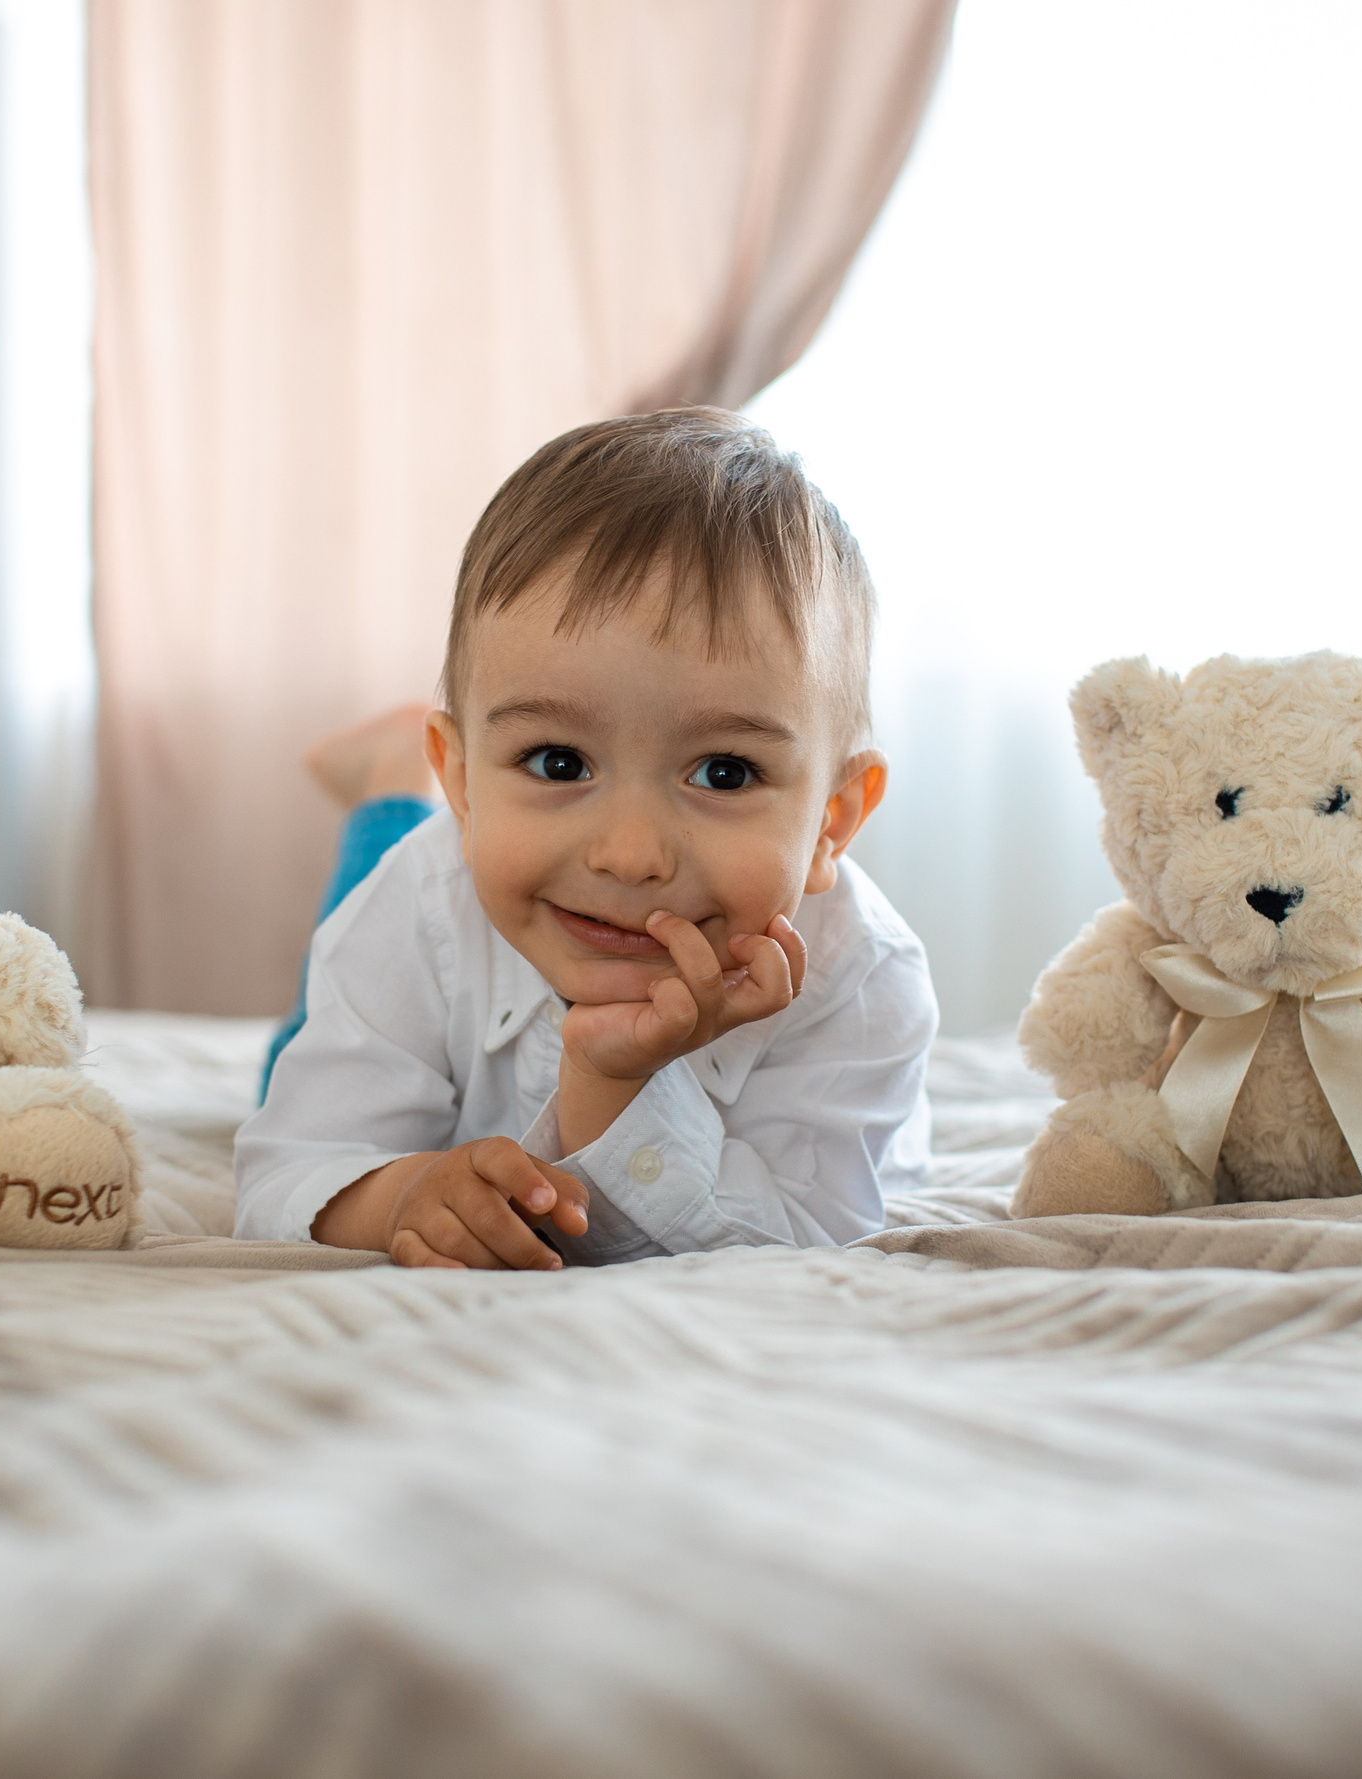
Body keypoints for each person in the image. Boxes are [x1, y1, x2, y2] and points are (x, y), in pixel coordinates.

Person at [234, 408, 936, 1269]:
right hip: (424, 883)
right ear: (462, 778)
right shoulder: (419, 906)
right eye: (559, 761)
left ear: (832, 821)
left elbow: (809, 1249)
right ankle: (392, 790)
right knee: (291, 1048)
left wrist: (615, 1087)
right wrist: (399, 1195)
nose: (629, 854)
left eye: (723, 772)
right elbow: (288, 1170)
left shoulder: (861, 980)